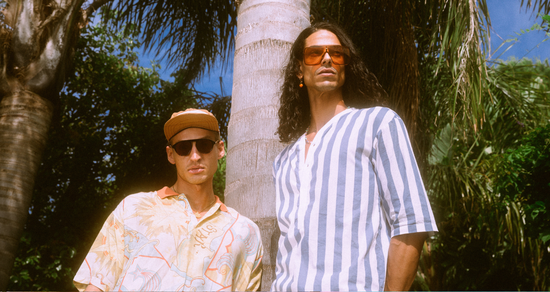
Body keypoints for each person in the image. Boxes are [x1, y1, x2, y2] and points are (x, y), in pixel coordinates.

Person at [272, 22, 438, 291]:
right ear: (299, 70)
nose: (327, 58)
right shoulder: (283, 161)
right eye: (315, 53)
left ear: (345, 66)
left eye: (337, 54)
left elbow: (410, 223)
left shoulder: (378, 123)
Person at [74, 108, 263, 291]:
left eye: (204, 145)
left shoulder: (245, 232)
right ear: (171, 155)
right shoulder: (133, 208)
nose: (195, 156)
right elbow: (98, 285)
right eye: (184, 148)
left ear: (220, 149)